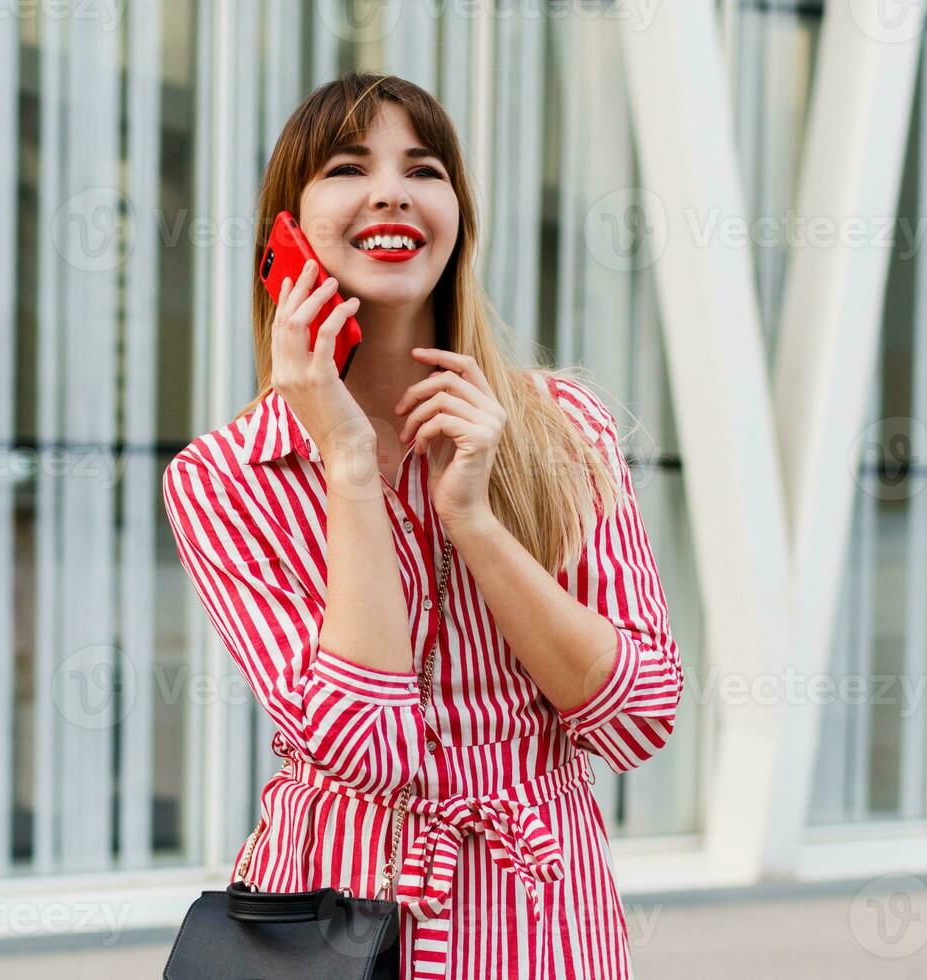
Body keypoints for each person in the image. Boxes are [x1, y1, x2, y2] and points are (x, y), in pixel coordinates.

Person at [161, 71, 683, 980]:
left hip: (537, 920)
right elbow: (365, 745)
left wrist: (473, 521)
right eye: (348, 166)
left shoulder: (563, 429)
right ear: (283, 234)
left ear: (457, 221)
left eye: (424, 167)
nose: (392, 189)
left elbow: (635, 719)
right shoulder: (223, 479)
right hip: (327, 920)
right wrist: (350, 461)